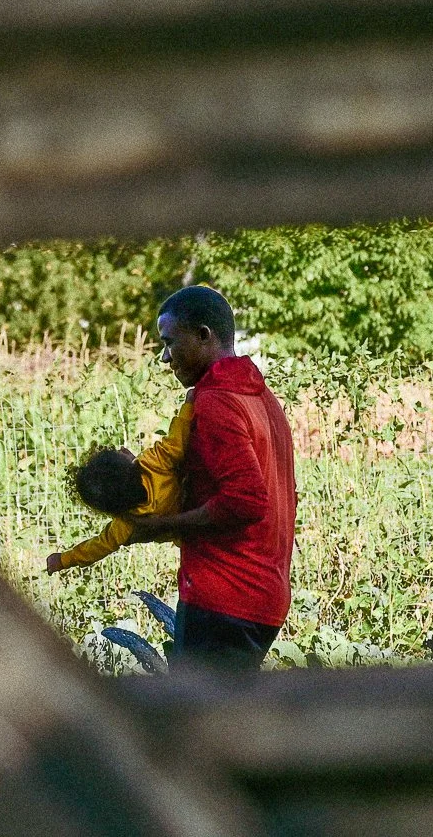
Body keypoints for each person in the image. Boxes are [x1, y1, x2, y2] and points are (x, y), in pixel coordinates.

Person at [125, 285, 296, 671]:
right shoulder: (257, 395)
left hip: (226, 596)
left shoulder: (217, 401)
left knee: (200, 727)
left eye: (170, 343)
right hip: (262, 595)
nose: (165, 358)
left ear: (204, 335)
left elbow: (245, 501)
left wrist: (160, 526)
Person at [45, 399, 194, 573]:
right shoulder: (154, 463)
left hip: (193, 542)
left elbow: (98, 546)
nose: (122, 450)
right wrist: (189, 403)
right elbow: (176, 442)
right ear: (127, 466)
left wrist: (63, 559)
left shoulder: (126, 524)